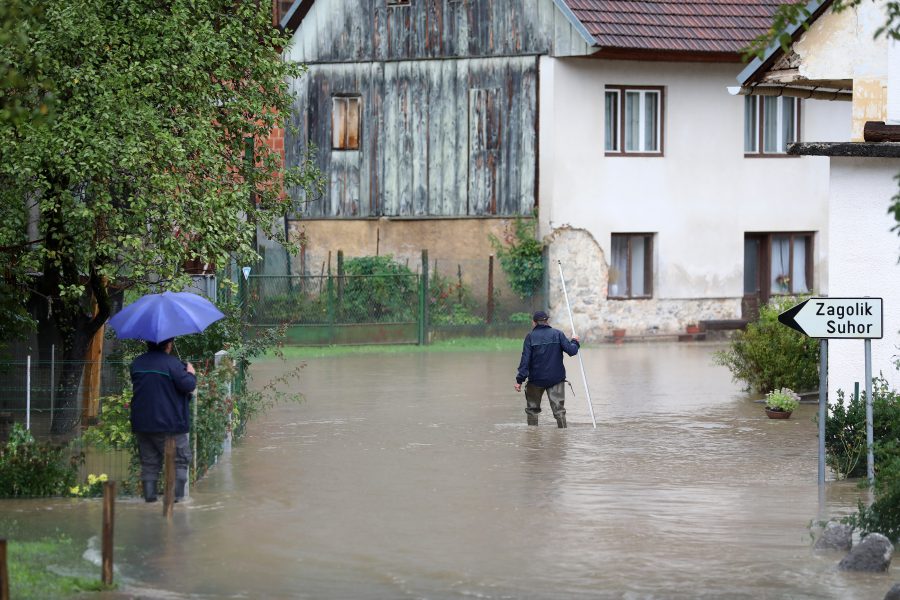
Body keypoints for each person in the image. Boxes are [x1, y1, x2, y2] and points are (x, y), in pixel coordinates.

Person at [129, 337, 196, 502]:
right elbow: (188, 385)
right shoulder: (173, 364)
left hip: (142, 425)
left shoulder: (137, 364)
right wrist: (191, 373)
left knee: (149, 464)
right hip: (170, 425)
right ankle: (178, 502)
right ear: (168, 344)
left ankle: (149, 502)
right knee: (180, 460)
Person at [514, 310, 580, 428]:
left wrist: (519, 380)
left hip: (535, 380)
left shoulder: (530, 337)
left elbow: (525, 361)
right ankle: (562, 434)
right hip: (556, 379)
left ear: (534, 322)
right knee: (559, 411)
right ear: (547, 321)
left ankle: (532, 436)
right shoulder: (558, 334)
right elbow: (572, 350)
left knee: (532, 410)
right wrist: (575, 341)